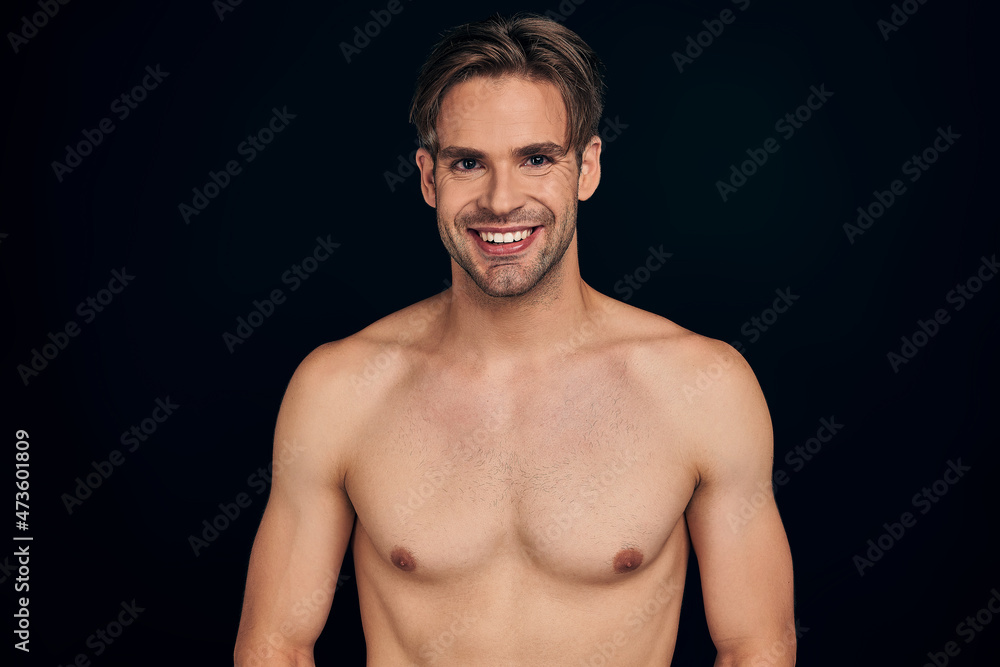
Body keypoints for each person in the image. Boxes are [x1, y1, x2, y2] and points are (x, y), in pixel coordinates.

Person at [234, 13, 795, 666]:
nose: (501, 200)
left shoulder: (702, 388)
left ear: (586, 168)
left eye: (536, 159)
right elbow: (275, 646)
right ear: (428, 178)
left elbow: (756, 646)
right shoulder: (341, 389)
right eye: (469, 163)